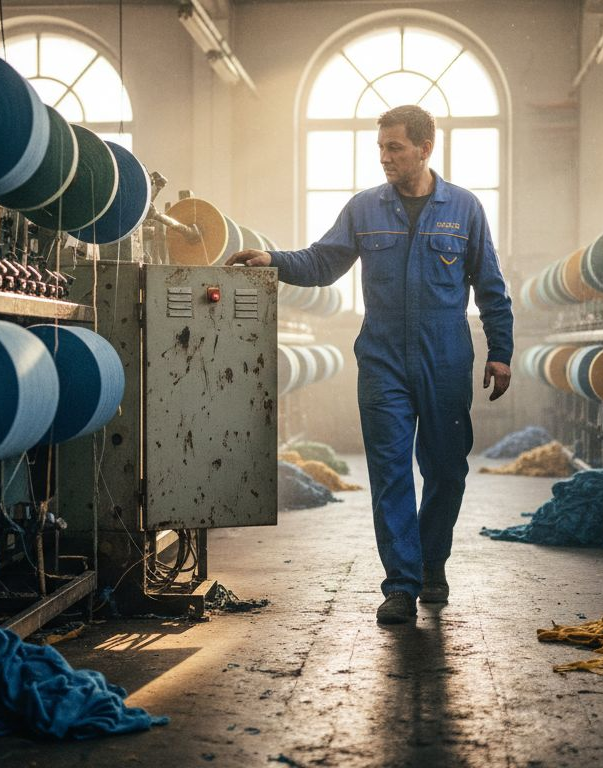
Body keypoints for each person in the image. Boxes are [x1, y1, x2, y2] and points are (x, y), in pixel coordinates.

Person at [226, 105, 513, 625]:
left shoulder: (464, 208)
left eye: (394, 147)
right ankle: (401, 585)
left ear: (425, 148)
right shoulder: (364, 209)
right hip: (382, 358)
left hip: (446, 357)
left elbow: (491, 286)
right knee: (389, 471)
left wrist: (501, 351)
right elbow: (322, 261)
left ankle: (432, 562)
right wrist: (273, 259)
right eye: (380, 147)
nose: (383, 157)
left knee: (447, 471)